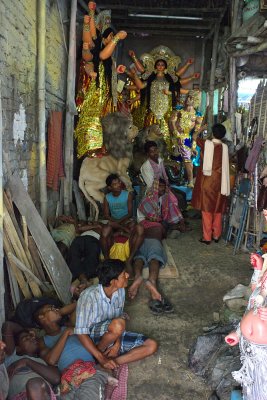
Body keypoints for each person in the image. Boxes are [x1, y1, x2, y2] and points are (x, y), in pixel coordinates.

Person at [74, 259, 158, 370]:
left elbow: (117, 319)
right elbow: (81, 333)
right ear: (113, 281)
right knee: (118, 324)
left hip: (113, 334)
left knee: (151, 345)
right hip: (92, 341)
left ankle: (110, 363)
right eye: (124, 274)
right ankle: (99, 357)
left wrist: (117, 344)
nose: (127, 275)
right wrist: (101, 357)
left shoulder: (120, 291)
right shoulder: (88, 297)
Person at [75, 4, 127, 158]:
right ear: (103, 38)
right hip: (93, 99)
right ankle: (91, 151)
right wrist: (117, 38)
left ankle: (100, 151)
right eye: (109, 37)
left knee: (105, 125)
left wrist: (117, 73)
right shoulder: (96, 56)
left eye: (112, 37)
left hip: (104, 101)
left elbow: (107, 64)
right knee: (93, 123)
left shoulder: (109, 60)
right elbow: (100, 56)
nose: (111, 39)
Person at [35, 304, 109, 399]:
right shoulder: (43, 340)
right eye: (51, 308)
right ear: (41, 317)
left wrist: (60, 312)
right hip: (68, 378)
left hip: (89, 371)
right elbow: (51, 360)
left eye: (56, 307)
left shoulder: (69, 325)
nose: (56, 309)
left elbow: (80, 303)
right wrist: (65, 334)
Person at [191, 123, 230, 244]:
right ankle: (216, 235)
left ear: (213, 133)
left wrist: (200, 129)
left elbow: (194, 137)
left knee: (207, 210)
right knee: (217, 208)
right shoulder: (225, 147)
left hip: (207, 180)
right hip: (220, 181)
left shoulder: (206, 144)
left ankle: (207, 237)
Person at [1, 321, 60, 400]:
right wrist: (27, 331)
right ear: (18, 348)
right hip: (18, 397)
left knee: (35, 385)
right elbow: (8, 325)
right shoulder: (12, 357)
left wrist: (26, 362)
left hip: (42, 395)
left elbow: (56, 378)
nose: (32, 338)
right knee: (34, 385)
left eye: (32, 337)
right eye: (26, 338)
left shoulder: (42, 360)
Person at [101, 174, 144, 265]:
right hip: (114, 221)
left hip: (126, 221)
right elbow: (106, 215)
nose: (119, 185)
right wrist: (115, 222)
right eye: (115, 184)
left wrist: (118, 223)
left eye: (119, 182)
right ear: (109, 187)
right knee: (105, 230)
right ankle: (106, 259)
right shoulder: (107, 197)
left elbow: (129, 213)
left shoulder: (128, 195)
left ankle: (130, 258)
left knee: (135, 226)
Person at [128, 233, 173, 314]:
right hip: (153, 240)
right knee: (155, 258)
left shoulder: (135, 228)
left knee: (138, 258)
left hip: (139, 240)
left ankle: (137, 276)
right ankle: (152, 281)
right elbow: (164, 233)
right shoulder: (157, 226)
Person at [169, 91, 204, 188]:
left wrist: (193, 145)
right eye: (188, 97)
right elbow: (172, 123)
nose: (188, 99)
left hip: (188, 138)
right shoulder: (178, 111)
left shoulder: (198, 115)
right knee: (187, 159)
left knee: (191, 158)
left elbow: (196, 132)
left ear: (195, 100)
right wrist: (177, 135)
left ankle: (190, 180)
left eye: (191, 98)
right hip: (178, 137)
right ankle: (190, 181)